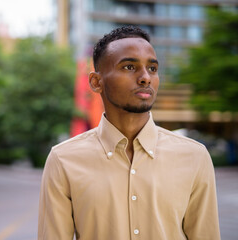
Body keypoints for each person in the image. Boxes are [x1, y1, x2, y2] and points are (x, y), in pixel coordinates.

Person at [38, 26, 220, 240]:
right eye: (129, 67)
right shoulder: (63, 160)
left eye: (152, 69)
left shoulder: (195, 157)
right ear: (96, 82)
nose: (145, 78)